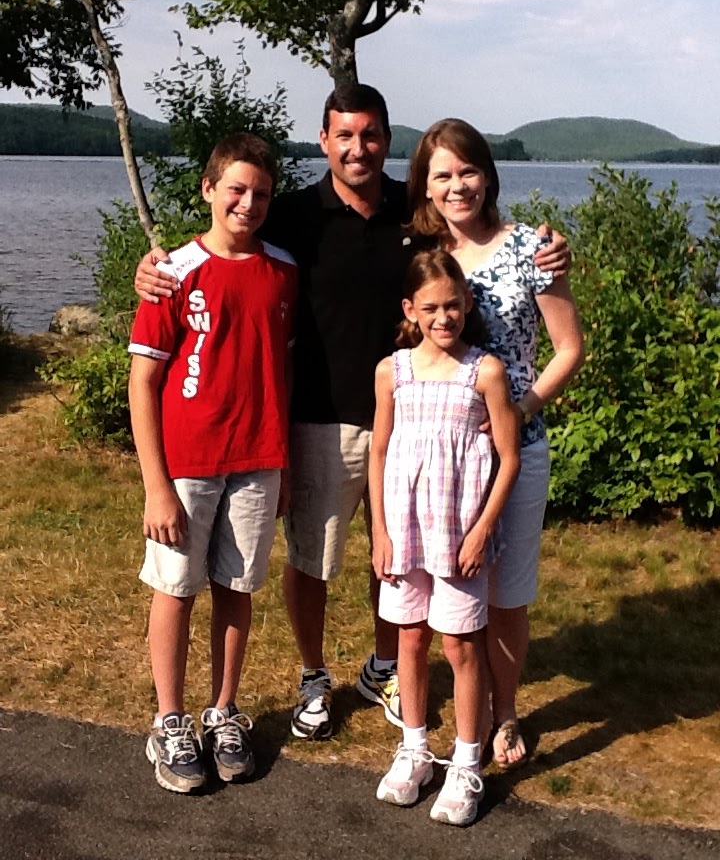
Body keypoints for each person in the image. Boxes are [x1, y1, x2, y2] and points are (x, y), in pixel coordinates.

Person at [132, 85, 570, 741]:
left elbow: (476, 240)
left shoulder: (415, 212)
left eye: (369, 135)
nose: (357, 148)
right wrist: (154, 268)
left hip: (416, 423)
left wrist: (549, 248)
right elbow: (225, 244)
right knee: (313, 559)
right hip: (321, 418)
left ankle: (385, 667)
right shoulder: (291, 214)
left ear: (387, 141)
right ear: (324, 141)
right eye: (344, 135)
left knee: (397, 555)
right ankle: (313, 675)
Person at [407, 119, 585, 769]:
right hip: (439, 453)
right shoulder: (418, 253)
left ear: (488, 175)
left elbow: (569, 349)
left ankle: (503, 711)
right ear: (425, 185)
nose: (457, 186)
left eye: (468, 171)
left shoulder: (532, 248)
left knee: (507, 595)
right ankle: (455, 705)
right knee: (445, 587)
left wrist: (520, 408)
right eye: (443, 175)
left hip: (517, 450)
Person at [128, 133, 298, 793]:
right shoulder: (173, 271)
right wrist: (156, 486)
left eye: (261, 194)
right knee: (175, 588)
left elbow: (282, 370)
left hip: (258, 459)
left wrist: (283, 466)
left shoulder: (283, 270)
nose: (248, 204)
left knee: (236, 587)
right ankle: (169, 721)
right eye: (236, 189)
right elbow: (143, 383)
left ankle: (223, 711)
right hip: (188, 465)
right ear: (208, 189)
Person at [369, 250, 520, 826]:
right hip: (405, 532)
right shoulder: (393, 371)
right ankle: (414, 748)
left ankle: (466, 761)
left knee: (459, 646)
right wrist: (380, 530)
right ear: (410, 309)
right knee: (409, 639)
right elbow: (379, 451)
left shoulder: (485, 372)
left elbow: (508, 459)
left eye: (452, 306)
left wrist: (482, 530)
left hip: (458, 535)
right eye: (430, 308)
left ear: (467, 303)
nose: (443, 317)